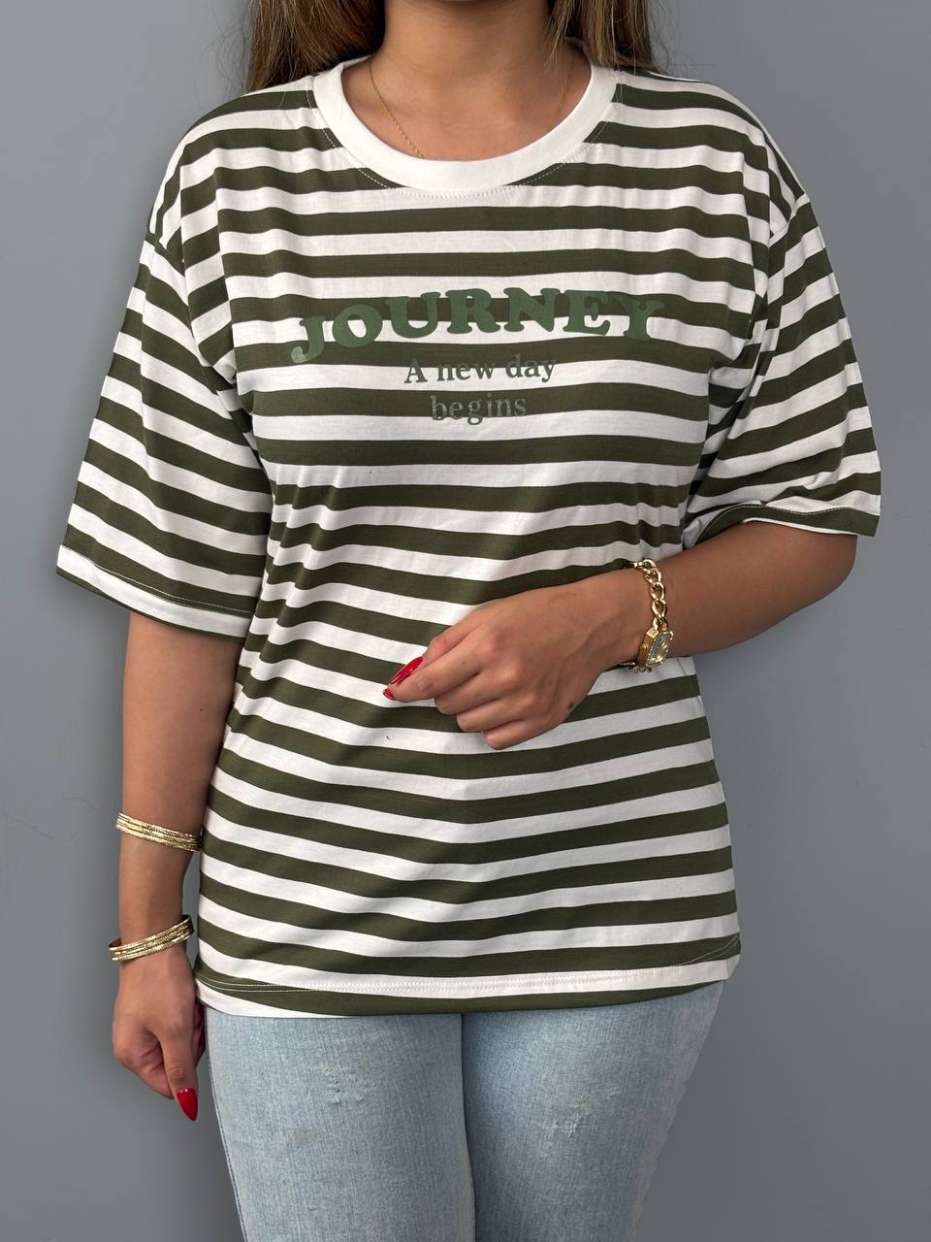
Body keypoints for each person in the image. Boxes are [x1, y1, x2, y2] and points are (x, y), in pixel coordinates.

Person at [53, 0, 882, 1238]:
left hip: (614, 904)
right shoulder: (236, 176)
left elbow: (816, 513)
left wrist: (611, 615)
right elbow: (182, 581)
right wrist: (143, 934)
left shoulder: (712, 166)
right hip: (311, 904)